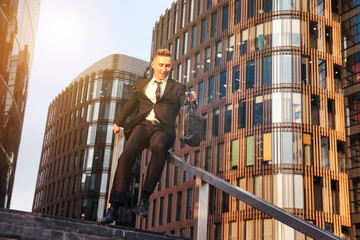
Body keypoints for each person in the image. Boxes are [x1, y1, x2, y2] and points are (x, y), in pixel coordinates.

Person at [101, 49, 196, 224]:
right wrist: (119, 122)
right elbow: (131, 104)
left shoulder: (177, 88)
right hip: (143, 126)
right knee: (127, 154)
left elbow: (185, 99)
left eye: (167, 66)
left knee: (159, 147)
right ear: (153, 64)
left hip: (164, 129)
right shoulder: (142, 83)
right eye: (160, 65)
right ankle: (114, 207)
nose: (164, 69)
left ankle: (144, 199)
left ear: (171, 66)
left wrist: (190, 98)